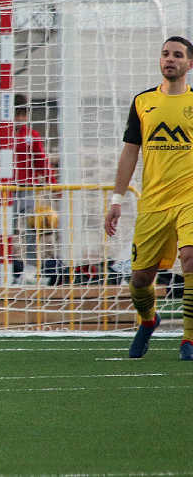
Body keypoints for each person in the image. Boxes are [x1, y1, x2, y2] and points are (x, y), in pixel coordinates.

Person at [104, 36, 193, 361]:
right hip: (153, 202)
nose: (170, 59)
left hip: (189, 198)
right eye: (166, 54)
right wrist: (116, 199)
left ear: (189, 64)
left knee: (191, 259)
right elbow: (129, 153)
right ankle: (148, 320)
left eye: (178, 55)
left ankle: (189, 340)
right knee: (141, 278)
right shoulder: (143, 102)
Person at [0, 93, 58, 282]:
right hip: (4, 191)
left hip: (28, 189)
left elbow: (41, 160)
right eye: (17, 114)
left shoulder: (32, 135)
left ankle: (30, 268)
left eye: (24, 114)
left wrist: (52, 182)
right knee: (4, 230)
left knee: (32, 230)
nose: (21, 119)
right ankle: (2, 267)